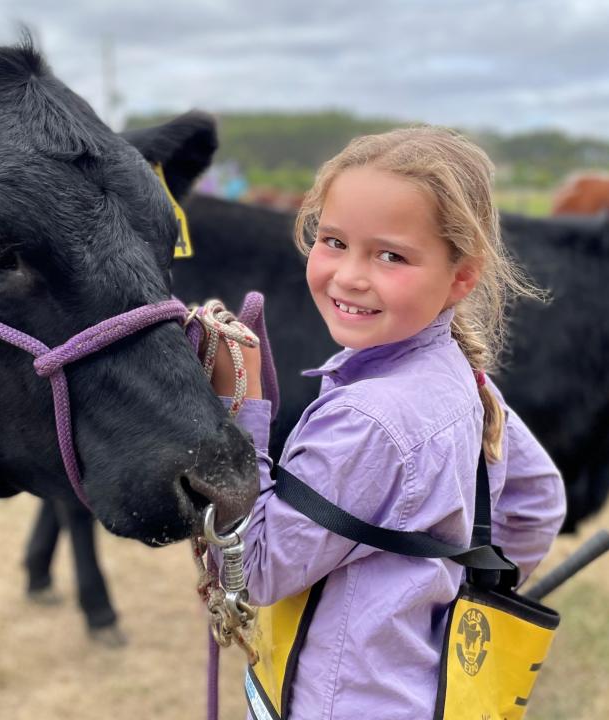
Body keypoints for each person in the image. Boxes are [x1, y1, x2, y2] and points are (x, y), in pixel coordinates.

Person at [206, 126, 566, 718]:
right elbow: (536, 501)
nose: (349, 274)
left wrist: (236, 401)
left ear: (461, 277)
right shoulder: (466, 377)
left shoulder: (367, 419)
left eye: (390, 255)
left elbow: (259, 571)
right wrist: (447, 605)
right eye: (334, 241)